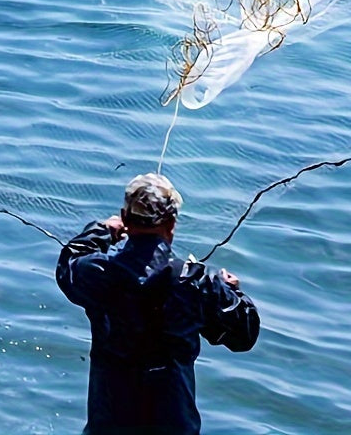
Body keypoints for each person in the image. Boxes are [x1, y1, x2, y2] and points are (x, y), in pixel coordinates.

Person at [56, 172, 259, 435]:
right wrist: (232, 291)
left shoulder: (98, 273)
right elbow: (244, 336)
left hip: (109, 423)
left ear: (125, 218)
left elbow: (67, 266)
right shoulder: (197, 282)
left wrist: (103, 231)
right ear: (172, 223)